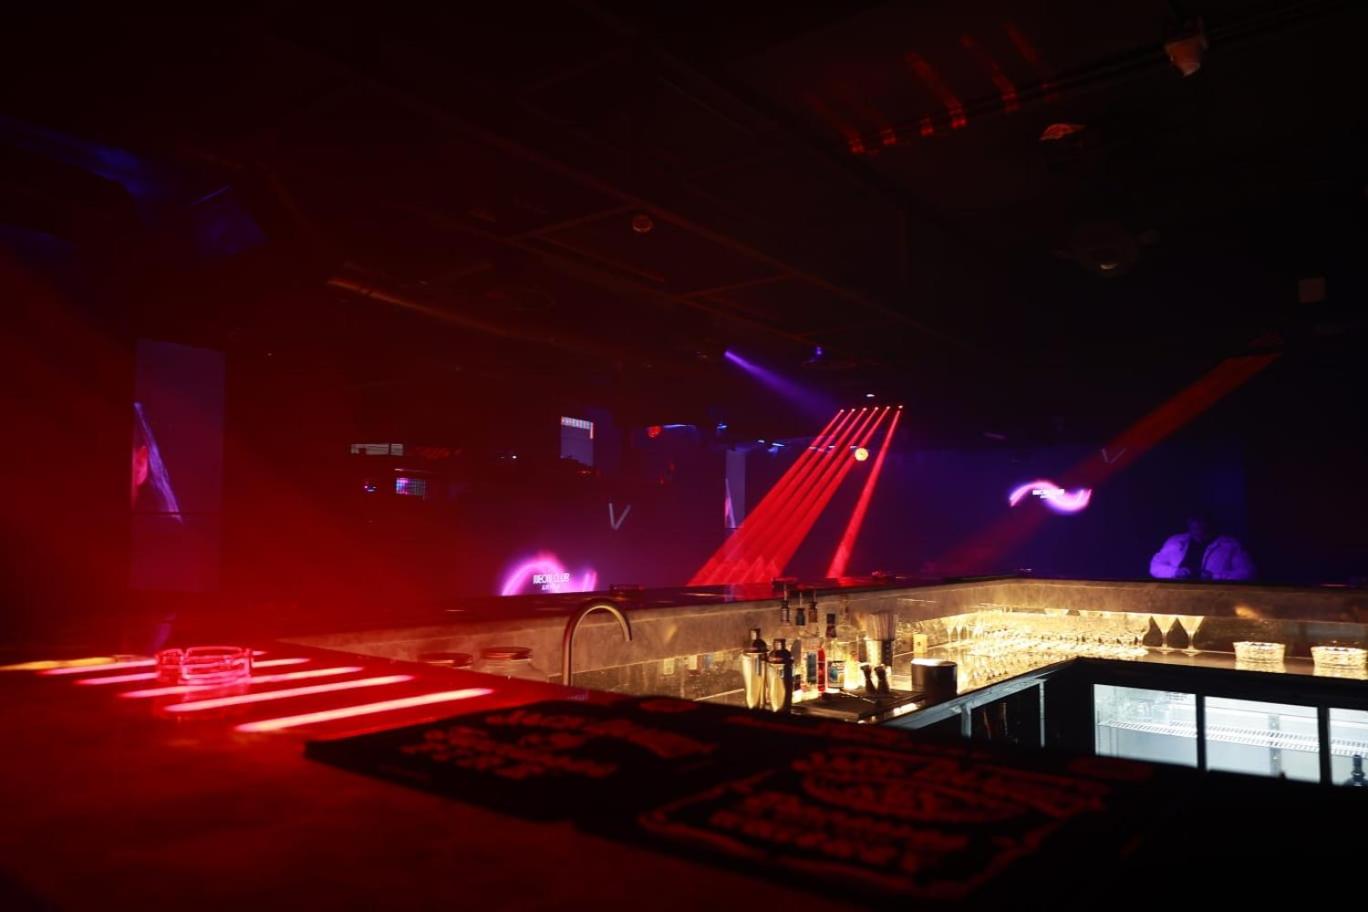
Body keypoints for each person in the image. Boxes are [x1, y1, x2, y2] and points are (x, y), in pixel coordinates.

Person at [1149, 513, 1255, 581]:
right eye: (1194, 526)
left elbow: (1247, 573)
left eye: (1201, 524)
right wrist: (1175, 572)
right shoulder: (1175, 542)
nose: (1198, 529)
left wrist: (1214, 577)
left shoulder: (1230, 545)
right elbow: (1155, 567)